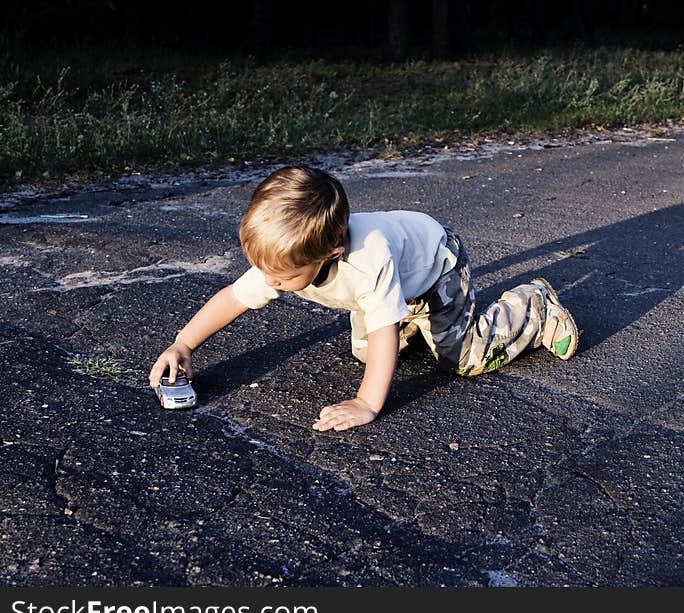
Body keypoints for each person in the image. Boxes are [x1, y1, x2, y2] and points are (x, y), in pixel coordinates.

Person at [148, 166, 579, 431]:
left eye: (282, 277)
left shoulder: (365, 260)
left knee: (461, 359)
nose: (270, 281)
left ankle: (533, 307)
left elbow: (382, 330)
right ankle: (412, 317)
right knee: (365, 353)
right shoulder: (281, 263)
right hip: (397, 280)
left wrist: (367, 403)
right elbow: (232, 298)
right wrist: (183, 344)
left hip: (435, 265)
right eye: (265, 271)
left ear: (329, 254)